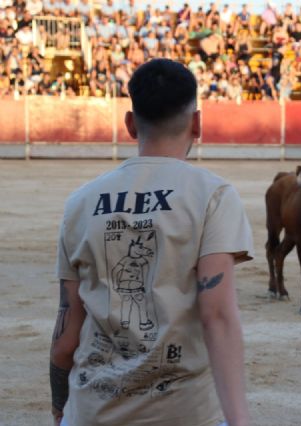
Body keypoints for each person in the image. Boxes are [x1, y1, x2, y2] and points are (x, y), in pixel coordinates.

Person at [49, 59, 253, 426]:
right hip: (184, 414)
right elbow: (217, 316)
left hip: (92, 412)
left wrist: (60, 406)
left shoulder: (79, 203)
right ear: (197, 124)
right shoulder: (213, 195)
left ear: (130, 124)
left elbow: (66, 335)